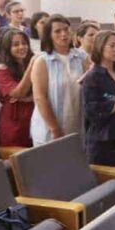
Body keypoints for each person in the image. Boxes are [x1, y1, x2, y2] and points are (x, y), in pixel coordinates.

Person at [29, 14, 87, 145]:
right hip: (50, 128)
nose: (63, 34)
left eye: (66, 29)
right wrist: (55, 129)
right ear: (49, 35)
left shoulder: (81, 57)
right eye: (57, 31)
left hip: (75, 123)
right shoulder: (42, 61)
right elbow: (40, 97)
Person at [82, 30, 115, 166]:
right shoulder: (93, 77)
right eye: (112, 45)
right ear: (100, 47)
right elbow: (92, 110)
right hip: (103, 141)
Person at [0, 29, 35, 148]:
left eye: (24, 43)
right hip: (15, 123)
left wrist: (30, 98)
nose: (22, 47)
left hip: (35, 117)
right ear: (7, 48)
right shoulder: (2, 70)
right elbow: (18, 93)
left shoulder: (32, 62)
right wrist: (31, 66)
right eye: (16, 45)